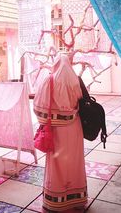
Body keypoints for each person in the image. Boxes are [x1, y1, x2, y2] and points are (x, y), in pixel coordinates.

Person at [33, 53, 87, 212]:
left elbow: (38, 106)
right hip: (74, 128)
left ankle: (55, 202)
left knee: (56, 164)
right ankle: (76, 199)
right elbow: (80, 101)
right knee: (74, 162)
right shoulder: (75, 80)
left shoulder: (48, 80)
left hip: (56, 131)